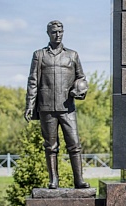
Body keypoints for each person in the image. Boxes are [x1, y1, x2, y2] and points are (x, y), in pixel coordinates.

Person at [24, 20, 90, 189]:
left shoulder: (72, 55)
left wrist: (80, 88)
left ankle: (79, 180)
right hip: (46, 107)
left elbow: (81, 77)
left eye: (60, 31)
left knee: (74, 144)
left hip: (67, 108)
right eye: (54, 32)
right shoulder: (39, 55)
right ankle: (54, 180)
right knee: (51, 146)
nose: (58, 35)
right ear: (48, 33)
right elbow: (33, 81)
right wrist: (30, 105)